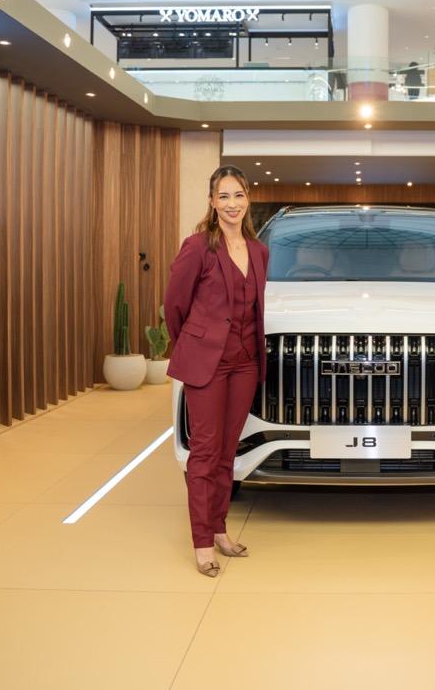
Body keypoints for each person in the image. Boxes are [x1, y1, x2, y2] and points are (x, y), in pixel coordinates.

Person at [164, 165, 269, 577]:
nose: (231, 204)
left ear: (248, 199)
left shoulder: (259, 251)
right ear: (211, 202)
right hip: (207, 363)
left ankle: (221, 529)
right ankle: (202, 541)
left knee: (228, 451)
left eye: (238, 195)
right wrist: (194, 346)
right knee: (205, 453)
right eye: (223, 196)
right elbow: (174, 305)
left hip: (245, 363)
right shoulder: (197, 247)